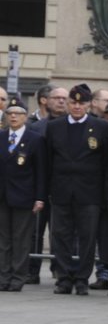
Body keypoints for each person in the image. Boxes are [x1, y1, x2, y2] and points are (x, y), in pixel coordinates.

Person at [40, 84, 108, 295]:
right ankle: (63, 278)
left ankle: (82, 278)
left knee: (87, 237)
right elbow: (48, 160)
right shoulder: (55, 126)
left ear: (89, 104)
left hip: (89, 192)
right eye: (73, 102)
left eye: (81, 103)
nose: (76, 107)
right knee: (60, 236)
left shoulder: (101, 127)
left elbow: (107, 162)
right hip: (62, 190)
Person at [0, 103, 44, 292]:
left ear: (25, 117)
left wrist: (40, 197)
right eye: (10, 113)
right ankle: (3, 276)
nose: (14, 117)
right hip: (2, 196)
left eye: (18, 114)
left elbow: (41, 171)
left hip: (24, 196)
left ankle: (18, 277)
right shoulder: (1, 137)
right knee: (3, 240)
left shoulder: (35, 139)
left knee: (20, 239)